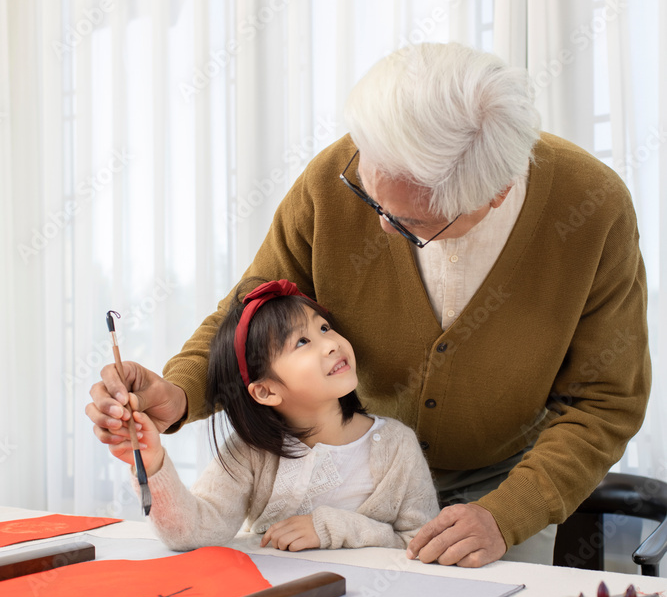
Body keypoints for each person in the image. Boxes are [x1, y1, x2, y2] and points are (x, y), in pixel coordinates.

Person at [87, 42, 651, 569]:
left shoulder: (592, 208)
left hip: (506, 479)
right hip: (356, 481)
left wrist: (507, 515)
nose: (380, 226)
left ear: (495, 193)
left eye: (410, 222)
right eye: (369, 195)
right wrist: (180, 392)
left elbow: (604, 402)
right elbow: (251, 308)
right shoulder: (335, 175)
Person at [105, 278, 440, 552]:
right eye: (302, 342)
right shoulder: (250, 451)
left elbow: (420, 544)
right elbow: (193, 532)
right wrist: (153, 464)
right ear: (265, 391)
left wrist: (332, 528)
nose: (331, 344)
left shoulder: (397, 447)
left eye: (324, 328)